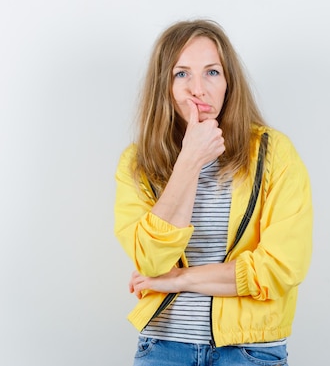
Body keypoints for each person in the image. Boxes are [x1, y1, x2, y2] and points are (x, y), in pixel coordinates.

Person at [113, 19, 313, 366]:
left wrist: (179, 279)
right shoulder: (138, 162)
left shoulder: (274, 153)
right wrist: (189, 160)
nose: (198, 89)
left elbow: (281, 267)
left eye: (212, 72)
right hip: (164, 346)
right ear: (165, 86)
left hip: (250, 350)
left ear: (228, 82)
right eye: (182, 74)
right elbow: (150, 260)